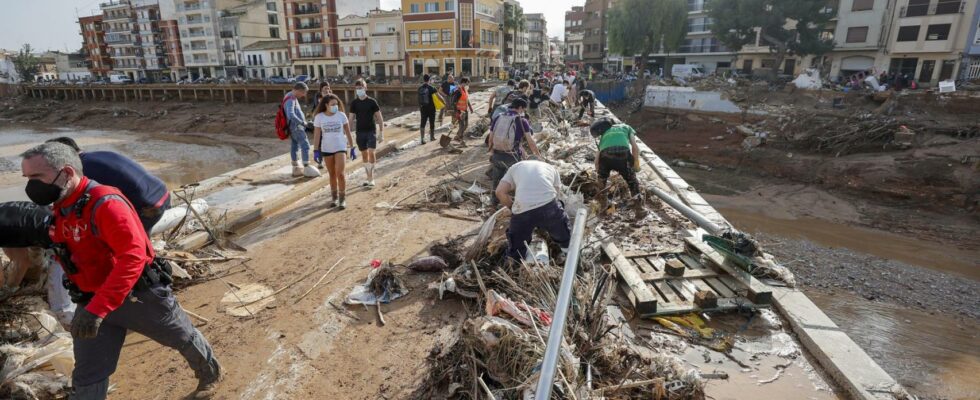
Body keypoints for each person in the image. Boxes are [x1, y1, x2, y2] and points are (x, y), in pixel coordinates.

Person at [20, 142, 221, 400]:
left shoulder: (106, 203)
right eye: (26, 178)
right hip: (91, 299)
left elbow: (133, 258)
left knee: (181, 337)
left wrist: (98, 308)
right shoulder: (62, 207)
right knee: (88, 371)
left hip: (137, 295)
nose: (30, 186)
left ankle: (210, 373)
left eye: (36, 177)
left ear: (67, 173)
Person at [46, 137, 170, 236]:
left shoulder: (81, 171)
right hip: (162, 194)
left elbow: (75, 206)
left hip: (147, 208)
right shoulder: (100, 154)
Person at [495, 160, 571, 262]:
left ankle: (513, 268)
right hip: (549, 207)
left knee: (516, 250)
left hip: (523, 210)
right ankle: (574, 264)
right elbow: (556, 194)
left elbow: (499, 192)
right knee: (566, 240)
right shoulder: (550, 168)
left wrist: (512, 208)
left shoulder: (515, 167)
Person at [590, 118, 644, 216]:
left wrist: (600, 173)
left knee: (602, 181)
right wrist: (636, 163)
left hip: (605, 156)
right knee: (632, 182)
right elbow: (635, 147)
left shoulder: (605, 133)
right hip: (623, 154)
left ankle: (603, 207)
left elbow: (597, 158)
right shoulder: (627, 127)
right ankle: (639, 210)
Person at [488, 99, 541, 198]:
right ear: (520, 107)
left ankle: (494, 203)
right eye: (523, 109)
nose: (523, 112)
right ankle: (513, 204)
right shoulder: (522, 121)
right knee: (514, 182)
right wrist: (538, 155)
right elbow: (531, 142)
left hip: (497, 154)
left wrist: (491, 152)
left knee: (496, 181)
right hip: (512, 156)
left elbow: (490, 138)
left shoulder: (498, 117)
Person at [312, 94, 354, 209]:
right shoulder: (319, 117)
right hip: (327, 148)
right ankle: (334, 197)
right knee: (332, 174)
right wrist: (316, 150)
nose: (335, 106)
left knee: (340, 174)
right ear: (326, 105)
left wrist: (352, 147)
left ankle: (342, 198)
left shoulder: (341, 115)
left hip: (340, 147)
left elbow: (348, 132)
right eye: (333, 104)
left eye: (336, 104)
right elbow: (317, 134)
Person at [348, 79, 384, 187]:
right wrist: (347, 135)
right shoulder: (354, 103)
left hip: (371, 131)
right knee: (364, 155)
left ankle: (371, 177)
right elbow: (350, 120)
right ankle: (368, 176)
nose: (359, 89)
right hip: (360, 132)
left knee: (371, 152)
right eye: (357, 88)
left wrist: (381, 132)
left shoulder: (372, 101)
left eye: (361, 87)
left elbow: (379, 118)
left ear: (366, 87)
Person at [284, 82, 319, 178]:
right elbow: (290, 115)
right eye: (303, 93)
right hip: (296, 127)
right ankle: (306, 167)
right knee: (305, 145)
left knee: (295, 145)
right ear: (298, 90)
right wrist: (303, 123)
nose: (304, 95)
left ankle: (296, 167)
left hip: (293, 127)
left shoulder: (289, 96)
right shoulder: (291, 99)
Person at [447, 77, 474, 147]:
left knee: (466, 125)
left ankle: (457, 136)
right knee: (461, 125)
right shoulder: (458, 90)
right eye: (467, 83)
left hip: (465, 110)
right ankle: (461, 141)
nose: (468, 85)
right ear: (464, 83)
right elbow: (453, 102)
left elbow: (466, 99)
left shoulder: (464, 90)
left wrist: (470, 108)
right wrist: (457, 111)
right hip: (459, 111)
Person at [418, 74, 440, 144]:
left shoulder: (419, 88)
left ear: (423, 79)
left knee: (423, 123)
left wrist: (420, 107)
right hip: (431, 108)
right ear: (429, 80)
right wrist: (444, 102)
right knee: (432, 122)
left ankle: (422, 139)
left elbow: (418, 99)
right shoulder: (432, 88)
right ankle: (432, 137)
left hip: (423, 108)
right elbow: (438, 96)